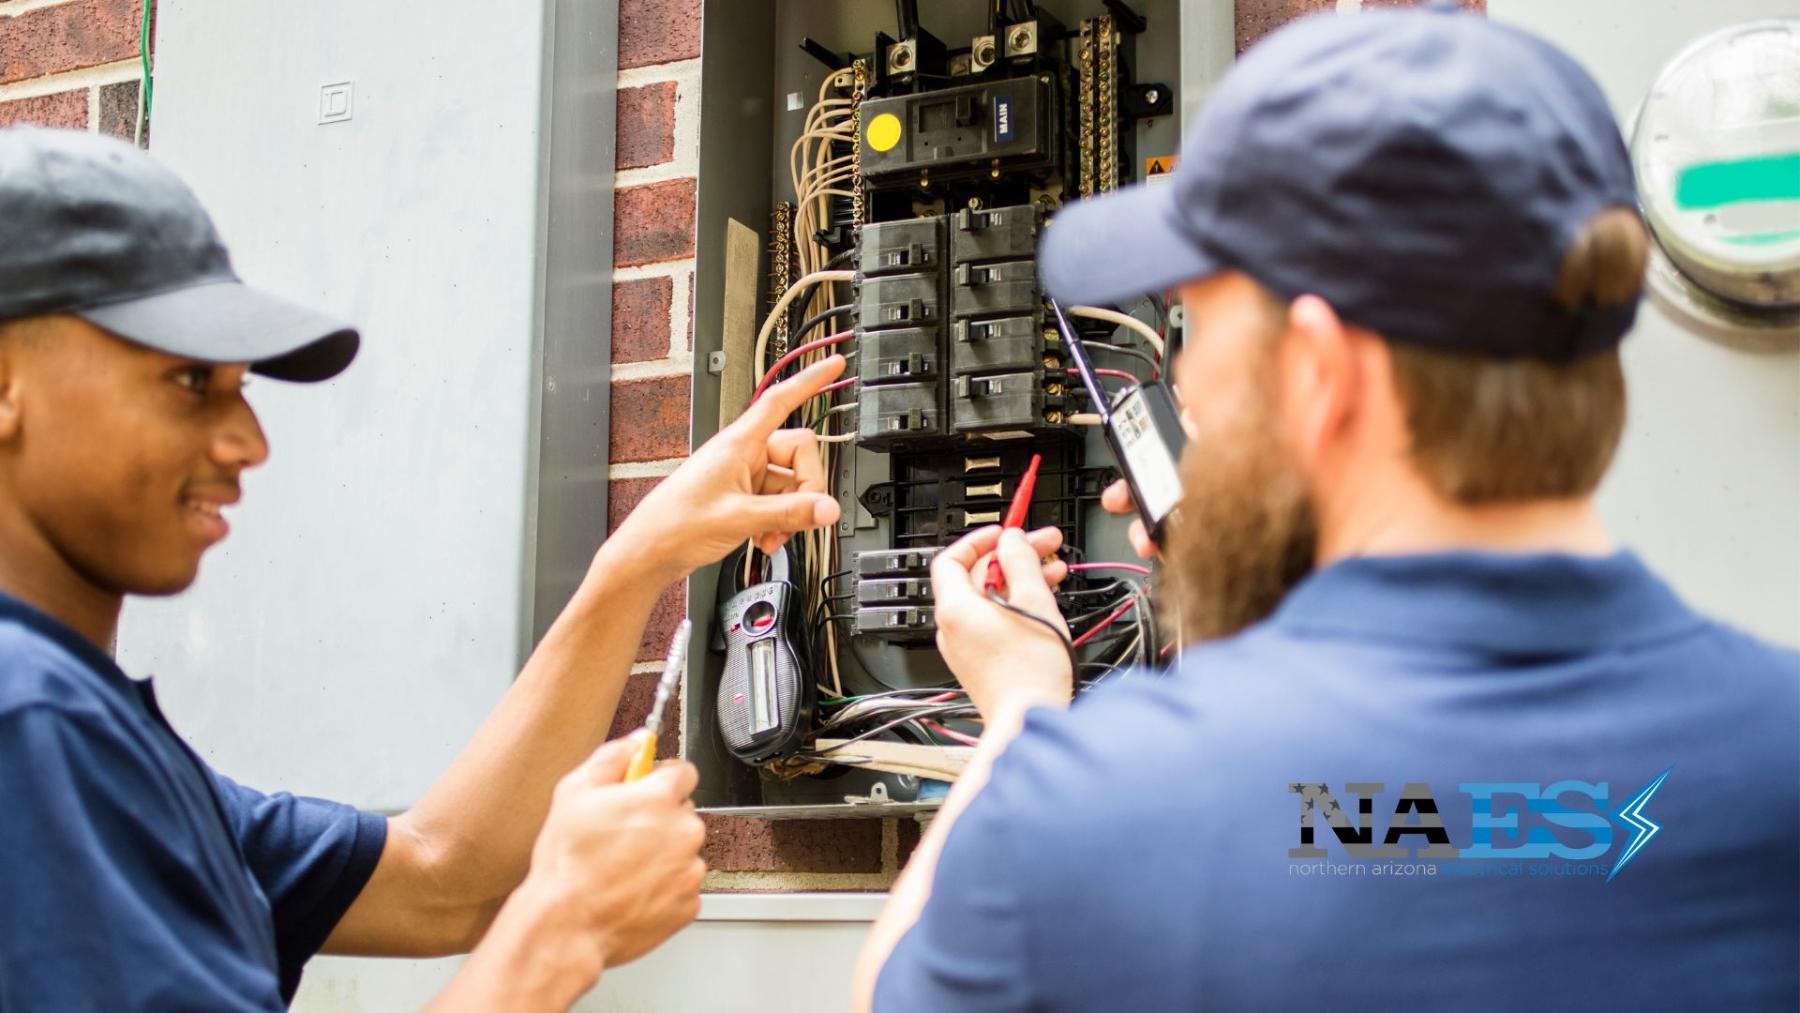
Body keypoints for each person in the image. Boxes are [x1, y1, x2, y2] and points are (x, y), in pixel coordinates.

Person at [856, 8, 1799, 1011]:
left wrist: (1019, 711)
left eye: (1195, 324)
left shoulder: (1100, 803)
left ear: (1319, 370)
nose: (1182, 379)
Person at [0, 127, 849, 1010]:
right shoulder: (28, 719)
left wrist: (639, 559)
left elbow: (448, 879)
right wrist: (558, 932)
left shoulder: (105, 744)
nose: (248, 441)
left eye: (241, 386)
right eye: (187, 383)